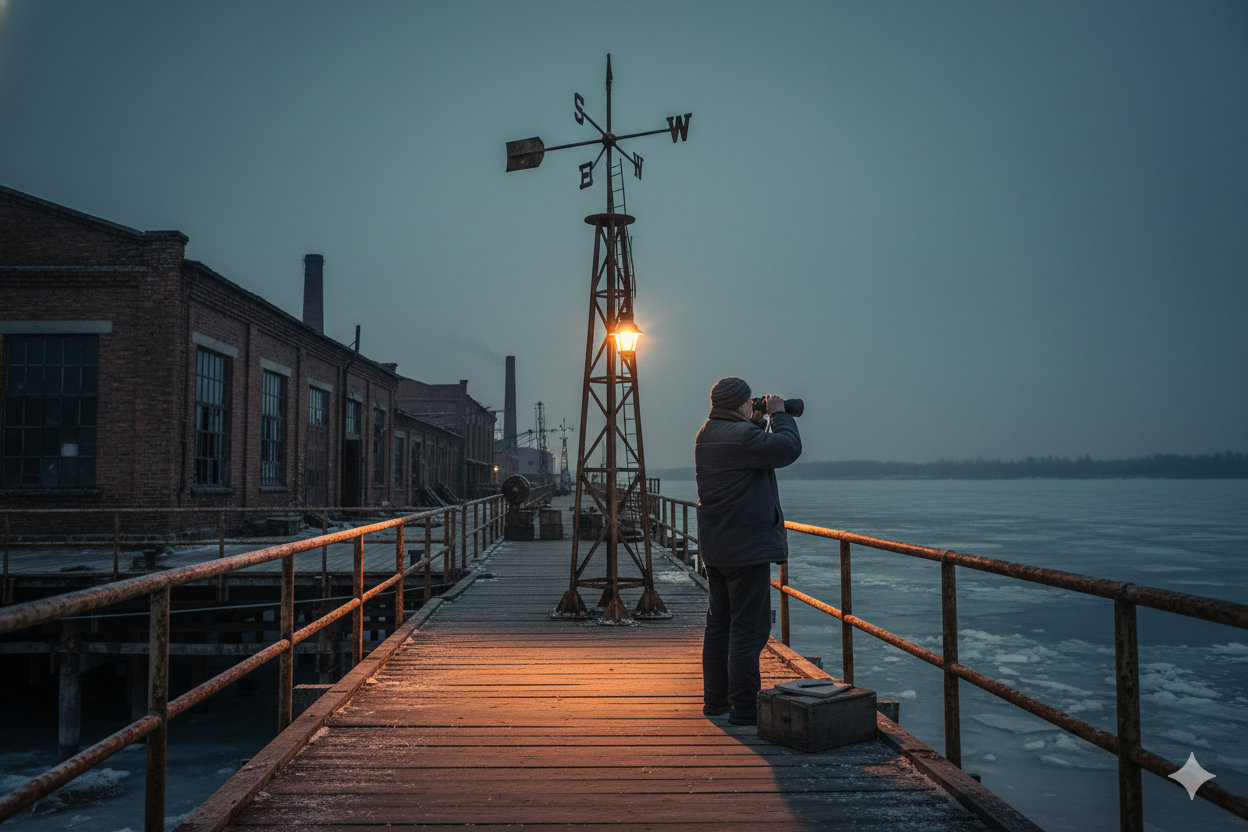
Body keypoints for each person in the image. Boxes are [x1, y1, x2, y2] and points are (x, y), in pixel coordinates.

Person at [694, 376, 802, 725]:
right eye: (750, 403)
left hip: (717, 546)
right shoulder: (741, 438)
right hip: (746, 548)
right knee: (747, 628)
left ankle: (715, 702)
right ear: (741, 403)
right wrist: (779, 414)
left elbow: (749, 451)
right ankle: (744, 707)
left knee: (719, 624)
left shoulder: (707, 434)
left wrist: (756, 420)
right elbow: (787, 449)